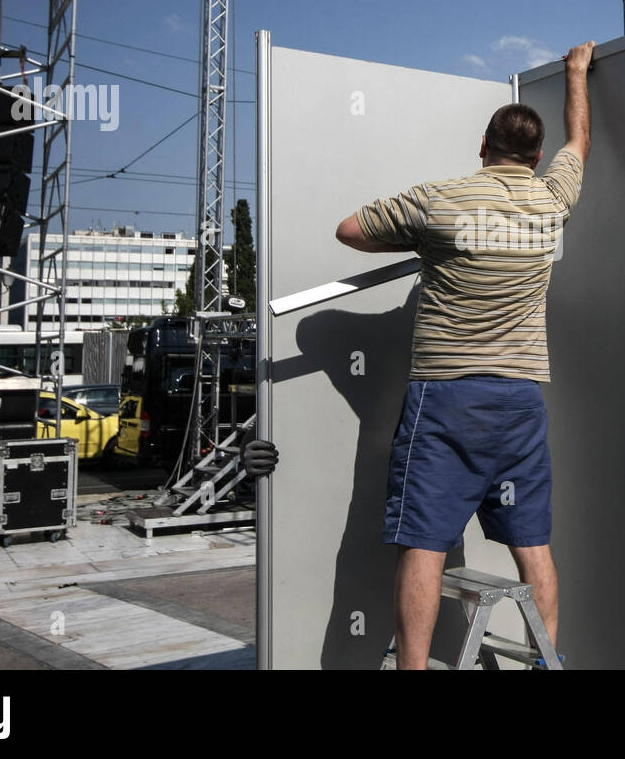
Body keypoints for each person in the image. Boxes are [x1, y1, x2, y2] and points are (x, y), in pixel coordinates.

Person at [244, 40, 594, 669]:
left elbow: (349, 230)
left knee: (424, 546)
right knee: (532, 543)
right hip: (519, 399)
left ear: (483, 147)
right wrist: (575, 72)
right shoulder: (551, 202)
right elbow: (581, 143)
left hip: (446, 398)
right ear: (537, 157)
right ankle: (546, 661)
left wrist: (424, 242)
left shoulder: (439, 200)